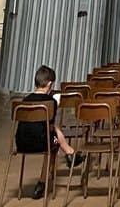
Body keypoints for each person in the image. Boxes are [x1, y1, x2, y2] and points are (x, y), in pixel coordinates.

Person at [15, 64, 83, 200]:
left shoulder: (24, 100)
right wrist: (55, 104)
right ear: (50, 84)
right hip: (42, 142)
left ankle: (69, 154)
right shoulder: (50, 102)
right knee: (53, 139)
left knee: (53, 140)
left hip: (21, 142)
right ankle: (68, 154)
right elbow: (50, 125)